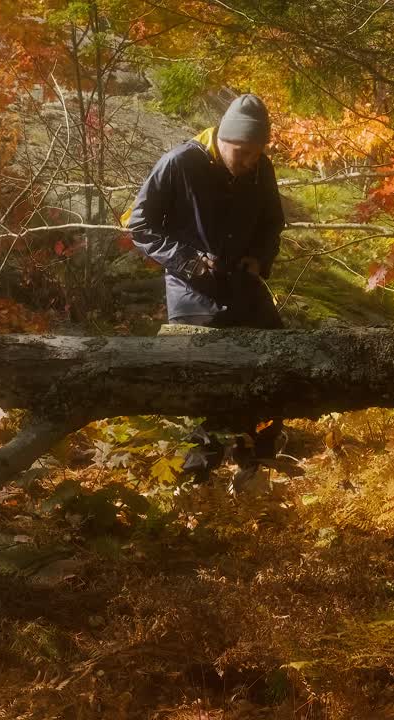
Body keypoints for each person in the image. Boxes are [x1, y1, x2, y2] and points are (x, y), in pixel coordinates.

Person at [125, 93, 287, 487]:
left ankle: (256, 462)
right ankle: (196, 479)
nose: (250, 162)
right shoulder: (180, 162)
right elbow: (139, 224)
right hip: (191, 291)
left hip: (243, 286)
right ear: (223, 140)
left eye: (256, 153)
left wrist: (260, 258)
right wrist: (185, 258)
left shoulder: (260, 167)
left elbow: (273, 222)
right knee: (201, 383)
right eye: (243, 153)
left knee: (278, 363)